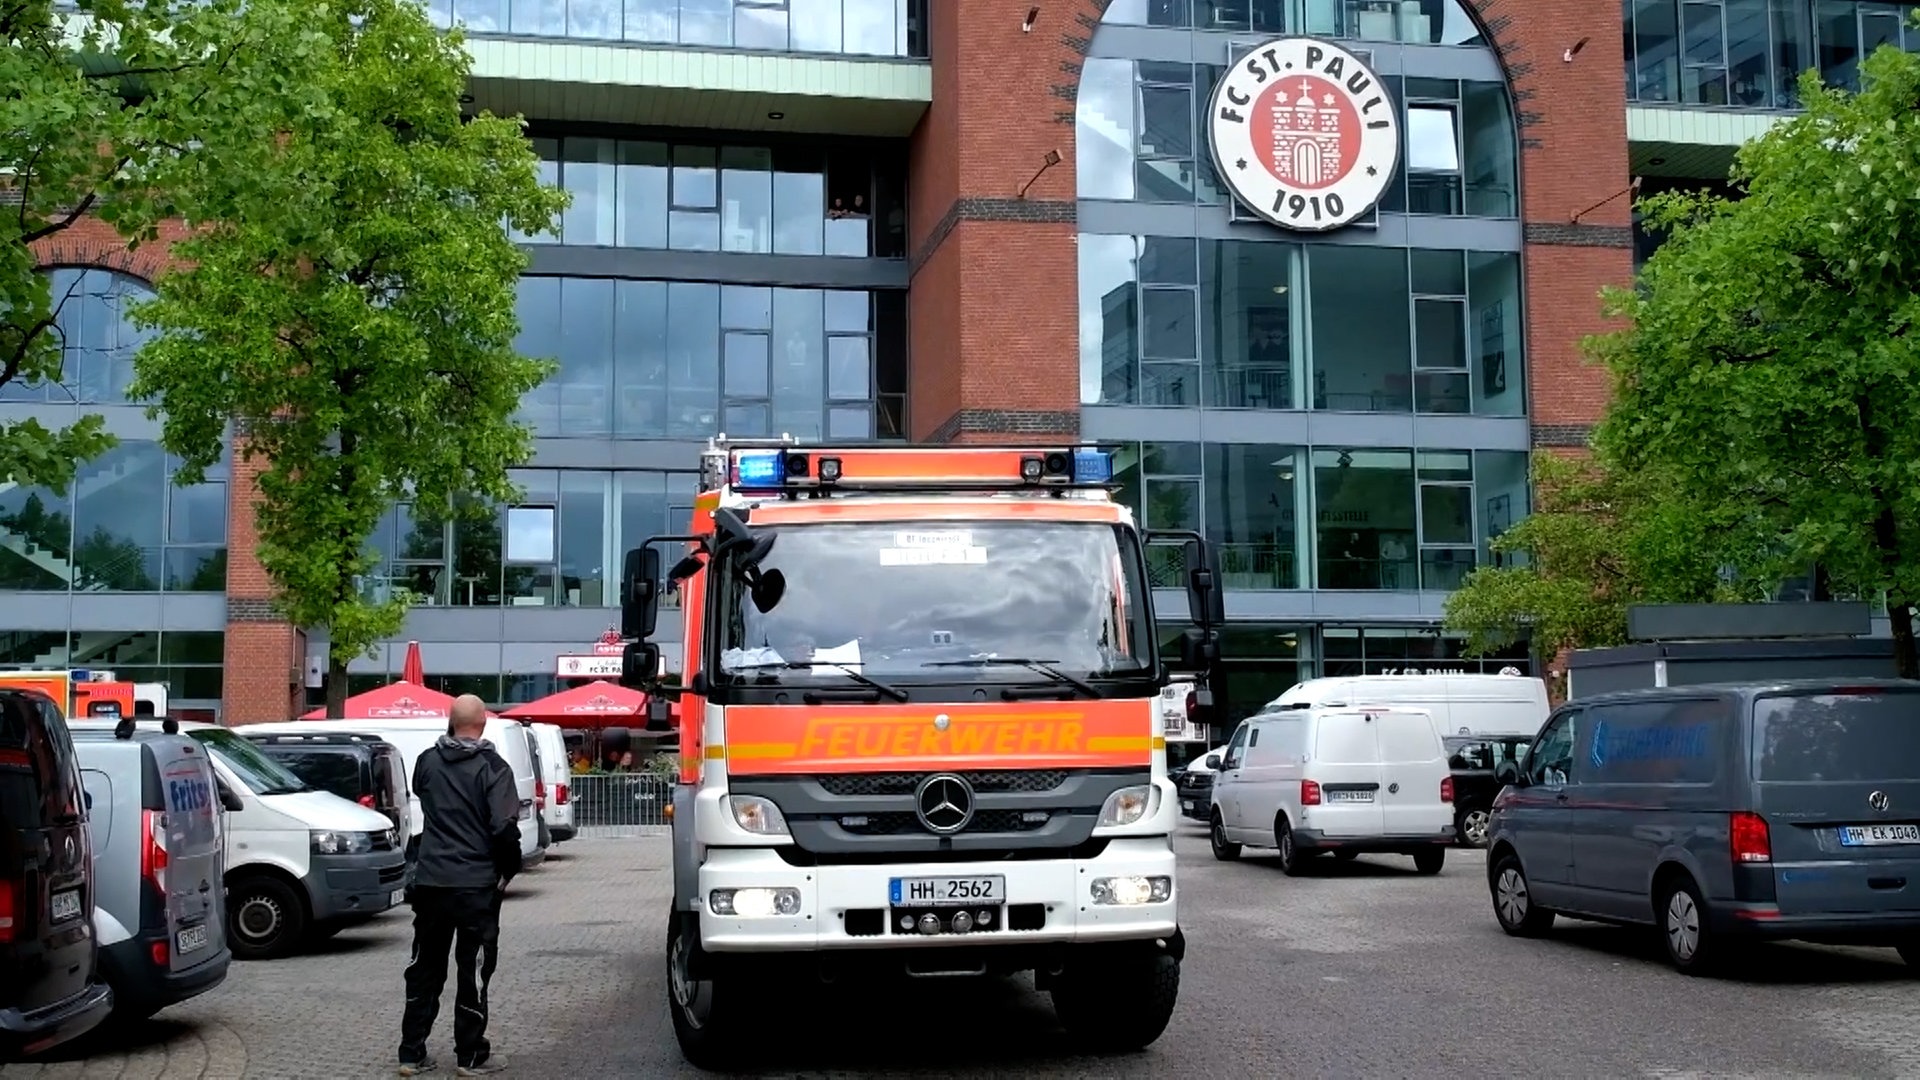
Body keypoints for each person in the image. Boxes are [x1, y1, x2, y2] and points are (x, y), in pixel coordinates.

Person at [397, 695, 522, 1077]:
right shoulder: (493, 768)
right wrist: (508, 868)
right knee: (474, 970)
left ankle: (411, 1053)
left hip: (432, 880)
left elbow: (424, 794)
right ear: (483, 723)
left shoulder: (427, 761)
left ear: (449, 722)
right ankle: (470, 1056)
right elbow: (502, 827)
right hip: (475, 885)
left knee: (425, 967)